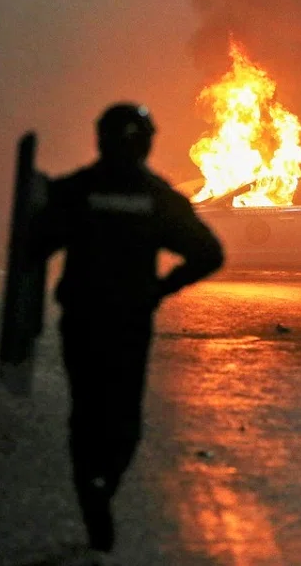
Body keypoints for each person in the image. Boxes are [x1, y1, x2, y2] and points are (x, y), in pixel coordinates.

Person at [34, 103, 224, 564]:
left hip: (81, 321)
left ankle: (91, 495)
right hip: (128, 325)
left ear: (99, 139)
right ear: (146, 143)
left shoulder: (77, 190)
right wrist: (159, 290)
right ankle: (105, 484)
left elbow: (36, 244)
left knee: (85, 412)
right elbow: (209, 253)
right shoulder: (157, 197)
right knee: (124, 418)